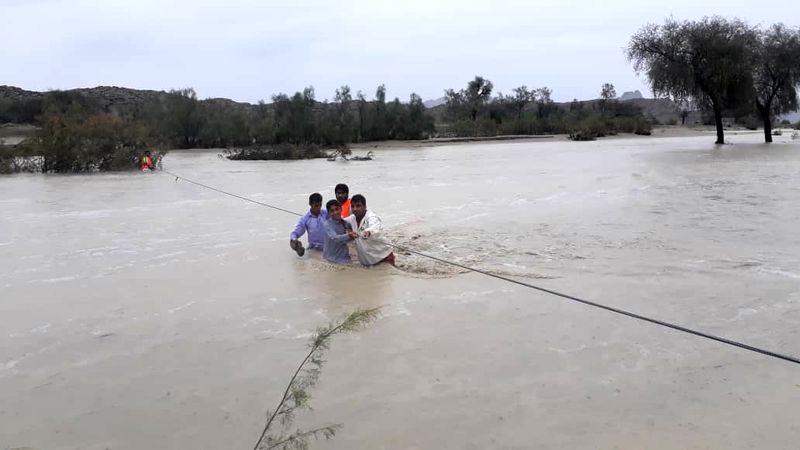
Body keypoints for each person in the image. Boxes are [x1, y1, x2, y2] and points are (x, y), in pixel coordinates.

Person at [348, 194, 395, 266]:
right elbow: (340, 221)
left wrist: (368, 232)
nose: (355, 209)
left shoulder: (372, 217)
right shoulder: (351, 219)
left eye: (358, 206)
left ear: (365, 206)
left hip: (383, 257)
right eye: (353, 206)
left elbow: (375, 227)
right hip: (368, 260)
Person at [289, 193, 328, 257]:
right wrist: (294, 240)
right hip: (313, 248)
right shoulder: (305, 218)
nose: (318, 208)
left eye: (320, 205)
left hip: (327, 247)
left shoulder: (326, 213)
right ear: (310, 204)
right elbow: (295, 233)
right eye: (316, 206)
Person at [323, 199, 356, 264]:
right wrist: (349, 235)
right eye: (332, 211)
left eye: (337, 209)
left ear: (341, 209)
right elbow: (335, 238)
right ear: (329, 213)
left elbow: (350, 239)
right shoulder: (327, 225)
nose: (335, 212)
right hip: (330, 260)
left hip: (345, 258)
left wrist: (354, 236)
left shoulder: (346, 223)